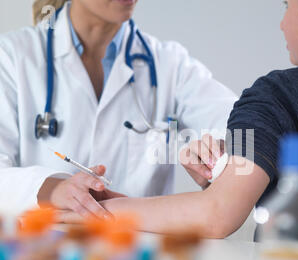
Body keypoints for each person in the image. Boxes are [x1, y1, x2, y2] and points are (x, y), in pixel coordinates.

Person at [58, 0, 298, 256]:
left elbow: (217, 215)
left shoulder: (279, 93)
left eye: (286, 6)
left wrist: (101, 212)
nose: (281, 24)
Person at [0, 0, 237, 219]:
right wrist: (52, 188)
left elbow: (246, 128)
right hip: (42, 253)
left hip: (139, 254)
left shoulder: (170, 64)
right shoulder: (11, 57)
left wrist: (215, 156)